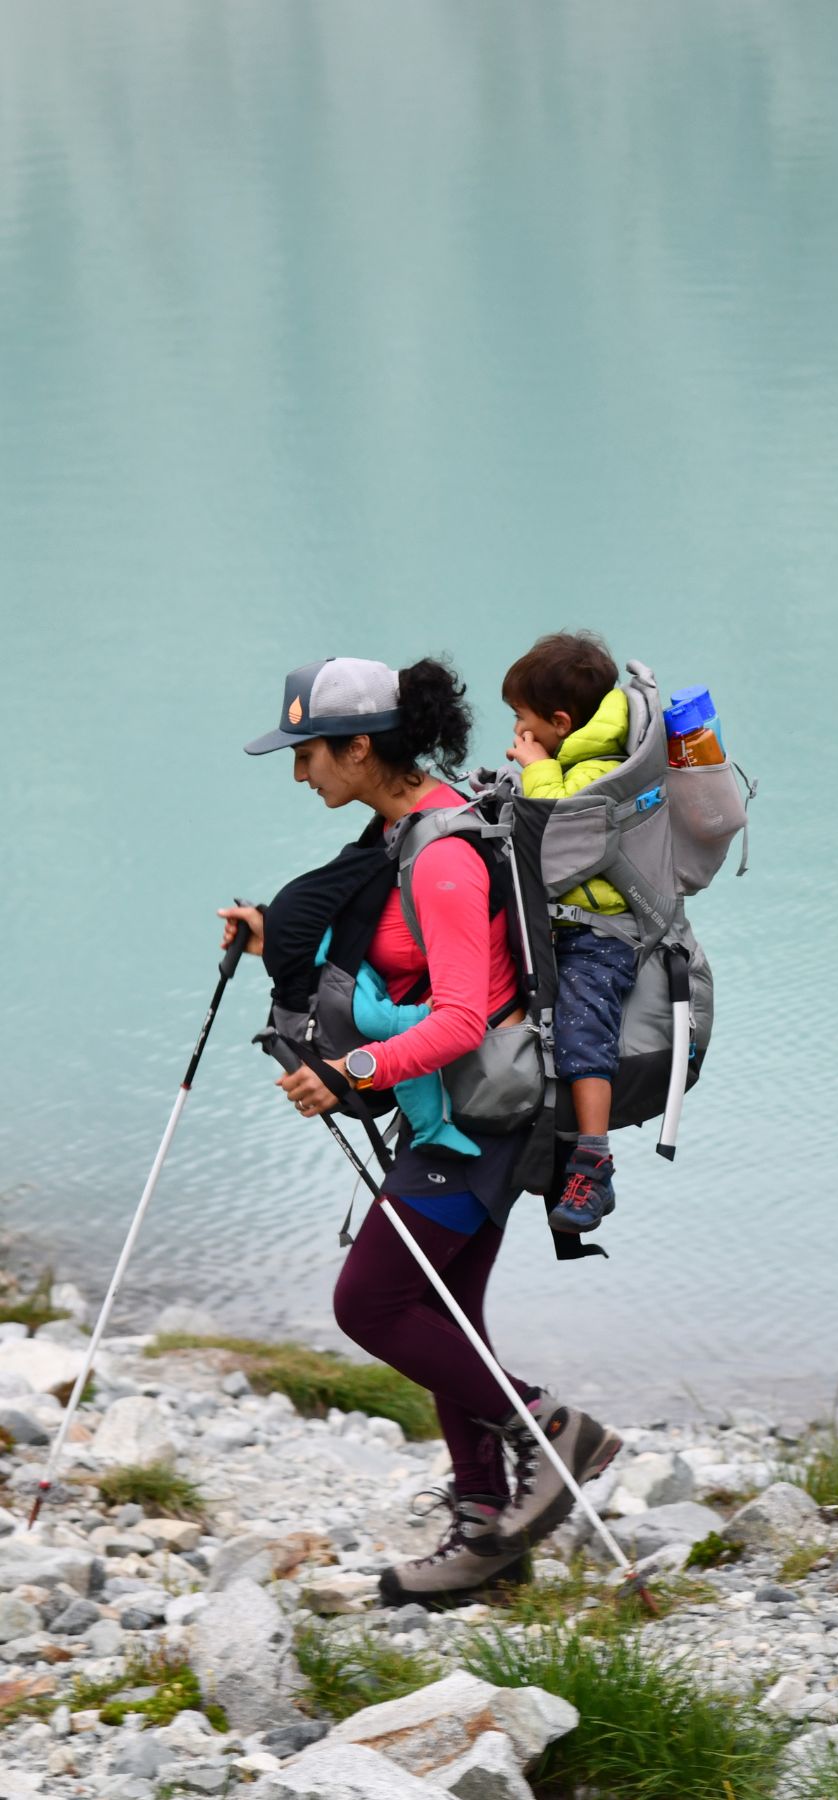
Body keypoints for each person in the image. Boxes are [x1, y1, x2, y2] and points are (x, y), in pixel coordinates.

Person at [222, 654, 623, 1607]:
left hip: (482, 1120)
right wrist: (269, 938)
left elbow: (458, 1020)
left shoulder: (440, 854)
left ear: (361, 747)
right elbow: (381, 956)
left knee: (371, 1305)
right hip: (458, 1116)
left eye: (308, 751)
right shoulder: (399, 832)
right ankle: (485, 1532)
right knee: (443, 1315)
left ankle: (550, 1429)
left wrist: (347, 1071)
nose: (298, 772)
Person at [502, 631, 638, 1232]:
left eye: (523, 721)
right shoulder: (578, 758)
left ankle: (594, 1158)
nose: (518, 734)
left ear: (559, 722)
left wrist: (536, 770)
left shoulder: (600, 769)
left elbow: (558, 828)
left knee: (584, 1035)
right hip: (566, 925)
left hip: (599, 935)